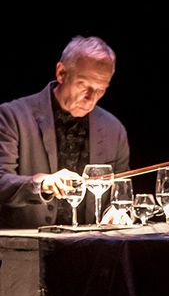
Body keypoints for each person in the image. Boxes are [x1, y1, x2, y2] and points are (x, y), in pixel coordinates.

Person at [0, 35, 129, 228]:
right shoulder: (12, 116)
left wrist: (117, 211)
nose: (91, 99)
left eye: (100, 90)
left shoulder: (114, 129)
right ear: (61, 73)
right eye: (83, 85)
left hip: (91, 250)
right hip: (26, 250)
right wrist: (41, 183)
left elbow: (121, 193)